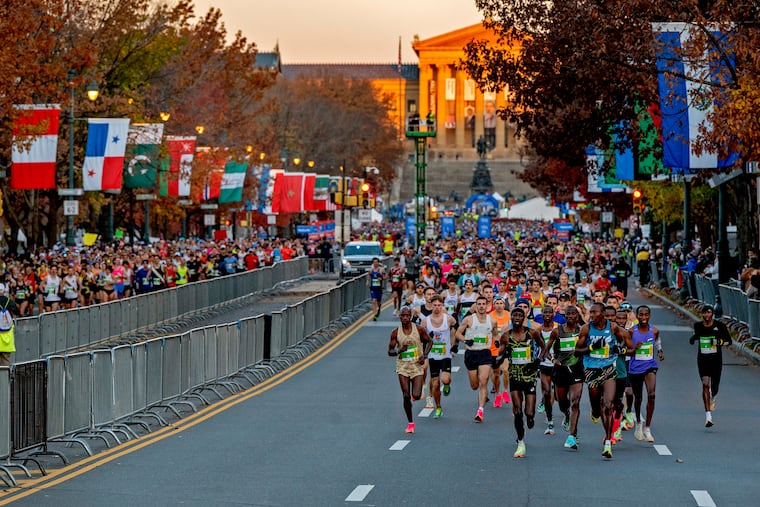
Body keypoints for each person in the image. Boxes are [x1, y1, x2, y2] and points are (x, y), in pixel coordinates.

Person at [576, 302, 634, 459]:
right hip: (591, 369)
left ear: (602, 313)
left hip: (609, 368)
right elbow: (577, 350)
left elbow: (632, 348)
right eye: (591, 313)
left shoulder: (614, 328)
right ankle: (595, 412)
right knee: (596, 405)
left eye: (595, 313)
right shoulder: (586, 329)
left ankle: (608, 442)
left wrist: (620, 349)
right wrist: (592, 348)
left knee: (609, 404)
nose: (592, 315)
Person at [500, 306, 544, 458]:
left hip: (530, 375)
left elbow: (543, 347)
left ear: (524, 317)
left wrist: (537, 361)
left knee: (529, 413)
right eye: (515, 315)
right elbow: (500, 351)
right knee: (517, 411)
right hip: (515, 376)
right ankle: (520, 441)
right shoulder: (506, 336)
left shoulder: (532, 333)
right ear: (511, 318)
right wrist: (501, 355)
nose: (517, 317)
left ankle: (530, 418)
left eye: (520, 315)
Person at [544, 305, 584, 450]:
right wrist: (553, 360)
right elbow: (546, 351)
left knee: (576, 402)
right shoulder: (557, 331)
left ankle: (572, 436)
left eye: (573, 314)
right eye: (568, 314)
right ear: (564, 316)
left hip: (577, 370)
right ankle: (566, 414)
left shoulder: (582, 331)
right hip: (560, 371)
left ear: (577, 316)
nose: (570, 317)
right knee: (562, 402)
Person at [388, 306, 432, 434]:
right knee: (406, 395)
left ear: (411, 317)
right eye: (403, 315)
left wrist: (424, 355)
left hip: (416, 365)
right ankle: (410, 422)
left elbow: (429, 341)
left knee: (416, 395)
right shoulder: (395, 332)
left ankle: (417, 389)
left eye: (408, 315)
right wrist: (399, 350)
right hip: (403, 366)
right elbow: (389, 351)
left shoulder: (419, 330)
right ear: (400, 317)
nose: (406, 318)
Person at [455, 295, 499, 423]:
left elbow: (495, 335)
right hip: (471, 354)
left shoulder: (492, 321)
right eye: (478, 304)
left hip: (485, 353)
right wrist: (465, 340)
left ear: (487, 306)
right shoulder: (468, 320)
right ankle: (480, 397)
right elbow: (458, 333)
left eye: (483, 304)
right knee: (474, 385)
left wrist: (496, 343)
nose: (481, 306)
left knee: (483, 381)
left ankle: (480, 410)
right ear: (476, 305)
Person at [689, 305, 731, 427]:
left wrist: (718, 342)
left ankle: (713, 396)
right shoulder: (698, 325)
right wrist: (692, 339)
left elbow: (729, 341)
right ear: (702, 314)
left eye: (709, 313)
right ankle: (708, 416)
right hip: (703, 359)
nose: (707, 315)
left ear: (712, 314)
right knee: (705, 383)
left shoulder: (720, 326)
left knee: (715, 386)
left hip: (716, 360)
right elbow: (697, 335)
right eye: (704, 313)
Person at [628, 305, 663, 442]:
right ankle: (638, 422)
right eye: (641, 315)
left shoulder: (654, 330)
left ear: (649, 315)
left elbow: (657, 341)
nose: (643, 317)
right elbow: (626, 347)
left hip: (650, 366)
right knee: (638, 399)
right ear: (637, 316)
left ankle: (647, 428)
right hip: (635, 368)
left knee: (652, 395)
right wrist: (633, 348)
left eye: (646, 315)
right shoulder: (631, 331)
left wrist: (659, 351)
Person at [424, 295, 457, 419]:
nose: (437, 307)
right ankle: (438, 407)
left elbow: (455, 330)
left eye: (439, 305)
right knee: (435, 383)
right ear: (431, 306)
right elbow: (422, 337)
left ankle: (447, 385)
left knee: (445, 380)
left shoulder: (448, 319)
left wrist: (454, 345)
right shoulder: (425, 321)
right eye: (435, 305)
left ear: (442, 305)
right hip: (432, 356)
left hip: (445, 355)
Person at [0, 287, 20, 366]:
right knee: (5, 361)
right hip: (7, 341)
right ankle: (5, 378)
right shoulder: (9, 301)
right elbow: (17, 311)